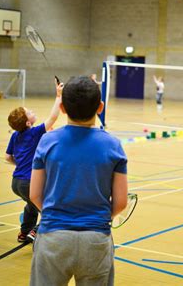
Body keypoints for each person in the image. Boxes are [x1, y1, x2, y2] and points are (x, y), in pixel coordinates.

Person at [29, 75, 128, 286]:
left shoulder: (47, 141)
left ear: (63, 108)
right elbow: (120, 202)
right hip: (96, 240)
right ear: (100, 107)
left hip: (53, 238)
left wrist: (56, 216)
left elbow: (35, 195)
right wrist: (96, 218)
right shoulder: (113, 145)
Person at [5, 80, 63, 243]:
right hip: (30, 182)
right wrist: (58, 96)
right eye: (29, 111)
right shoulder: (33, 133)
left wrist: (21, 164)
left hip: (16, 183)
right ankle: (36, 231)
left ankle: (24, 232)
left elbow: (8, 157)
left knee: (32, 205)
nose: (32, 110)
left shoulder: (15, 135)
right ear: (28, 123)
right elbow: (53, 118)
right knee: (49, 208)